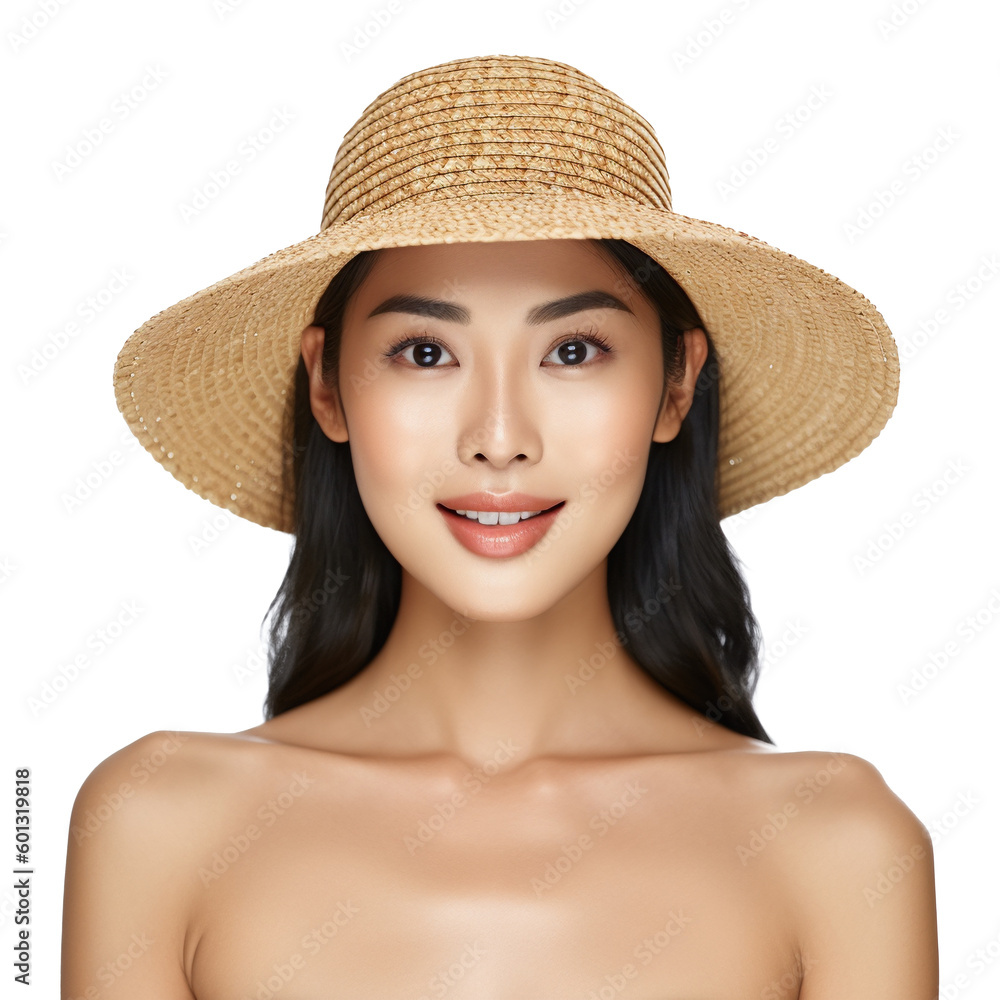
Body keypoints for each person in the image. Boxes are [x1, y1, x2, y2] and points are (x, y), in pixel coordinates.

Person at [62, 54, 938, 998]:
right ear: (326, 383)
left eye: (572, 350)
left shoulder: (841, 846)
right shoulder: (155, 823)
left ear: (676, 382)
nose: (499, 439)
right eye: (425, 351)